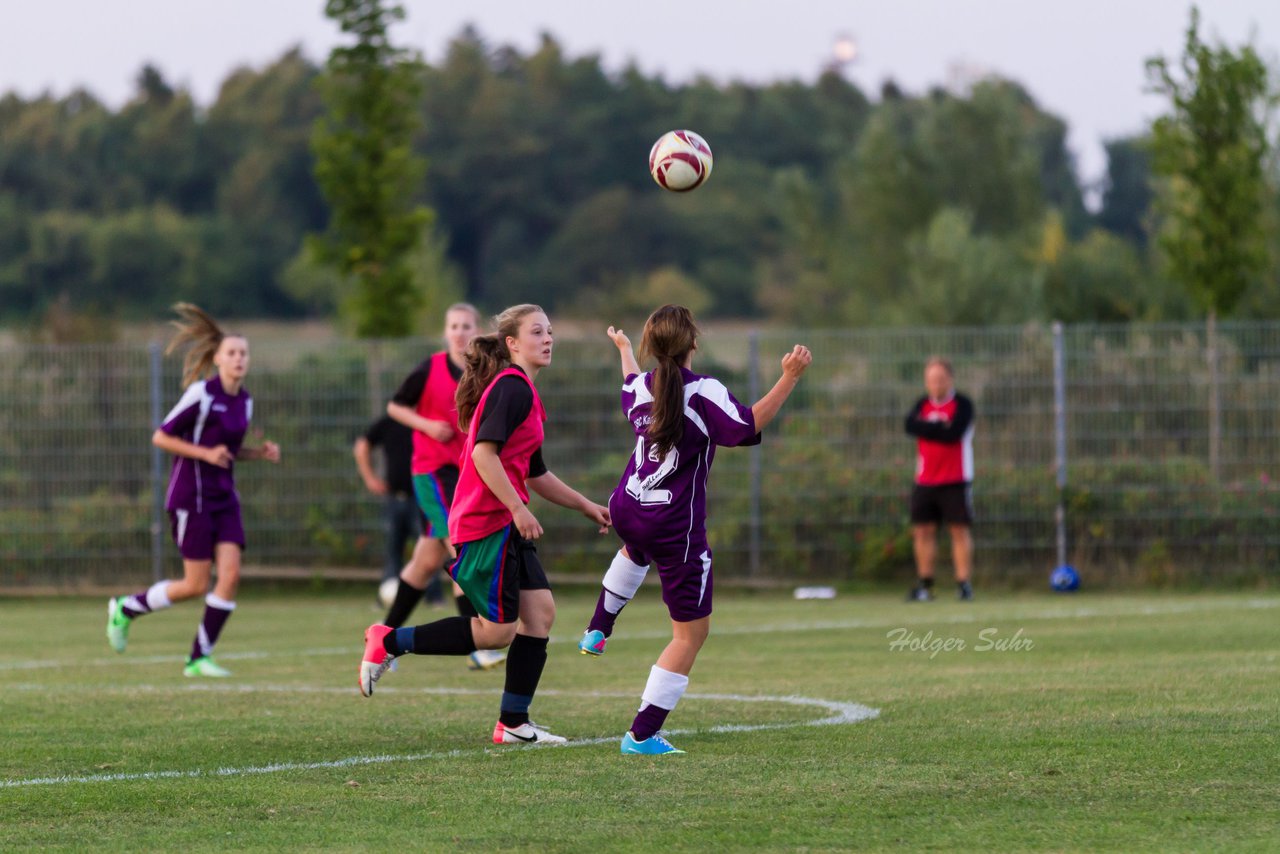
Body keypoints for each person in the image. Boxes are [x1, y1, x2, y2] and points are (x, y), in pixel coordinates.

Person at [358, 304, 612, 747]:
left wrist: (586, 505)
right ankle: (389, 639)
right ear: (512, 343)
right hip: (485, 522)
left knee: (540, 616)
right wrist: (518, 508)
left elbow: (535, 473)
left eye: (550, 331)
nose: (548, 338)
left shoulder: (525, 394)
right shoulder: (511, 388)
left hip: (502, 521)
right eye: (537, 332)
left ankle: (513, 722)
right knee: (496, 632)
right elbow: (482, 455)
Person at [578, 305, 811, 755]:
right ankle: (641, 735)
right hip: (674, 525)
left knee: (634, 549)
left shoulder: (643, 387)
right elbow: (747, 427)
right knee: (690, 635)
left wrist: (625, 351)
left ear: (651, 347)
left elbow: (629, 383)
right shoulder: (704, 391)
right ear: (694, 344)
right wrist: (790, 376)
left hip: (629, 506)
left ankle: (598, 627)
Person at [105, 303, 280, 676]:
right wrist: (204, 451)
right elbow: (161, 436)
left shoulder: (244, 401)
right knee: (194, 584)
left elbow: (226, 454)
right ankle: (125, 609)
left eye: (243, 353)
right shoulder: (201, 394)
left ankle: (199, 657)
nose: (238, 359)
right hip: (191, 498)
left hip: (224, 498)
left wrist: (257, 453)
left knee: (231, 576)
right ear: (217, 357)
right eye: (232, 353)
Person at [383, 303, 504, 671]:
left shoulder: (483, 373)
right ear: (445, 331)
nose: (459, 332)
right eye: (453, 325)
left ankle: (383, 637)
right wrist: (426, 425)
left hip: (464, 474)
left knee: (425, 563)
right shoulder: (429, 368)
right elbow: (395, 407)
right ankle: (480, 643)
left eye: (466, 325)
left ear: (477, 330)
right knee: (460, 542)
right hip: (432, 473)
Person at [903, 356, 976, 602]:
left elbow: (954, 433)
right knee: (923, 531)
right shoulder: (921, 404)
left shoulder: (962, 404)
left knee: (958, 530)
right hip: (925, 479)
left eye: (940, 379)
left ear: (949, 379)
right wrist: (938, 428)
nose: (936, 384)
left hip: (955, 478)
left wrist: (929, 429)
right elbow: (910, 426)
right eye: (931, 379)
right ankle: (926, 585)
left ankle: (964, 584)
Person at [352, 413, 444, 607]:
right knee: (393, 550)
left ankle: (434, 597)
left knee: (429, 547)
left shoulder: (427, 423)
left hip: (423, 500)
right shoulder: (388, 422)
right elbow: (362, 447)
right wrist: (370, 479)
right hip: (394, 499)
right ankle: (388, 596)